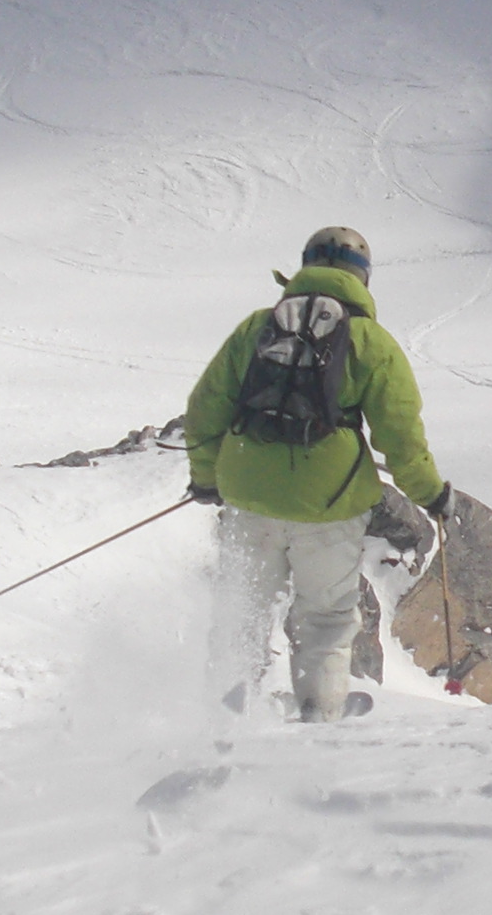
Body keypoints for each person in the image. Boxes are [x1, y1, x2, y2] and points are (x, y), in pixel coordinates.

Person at [181, 225, 452, 720]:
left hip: (247, 496)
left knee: (240, 613)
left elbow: (205, 409)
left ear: (304, 266)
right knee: (324, 618)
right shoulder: (372, 343)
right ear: (363, 279)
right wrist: (432, 495)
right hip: (330, 507)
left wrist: (206, 478)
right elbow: (401, 438)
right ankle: (319, 714)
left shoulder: (256, 328)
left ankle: (223, 714)